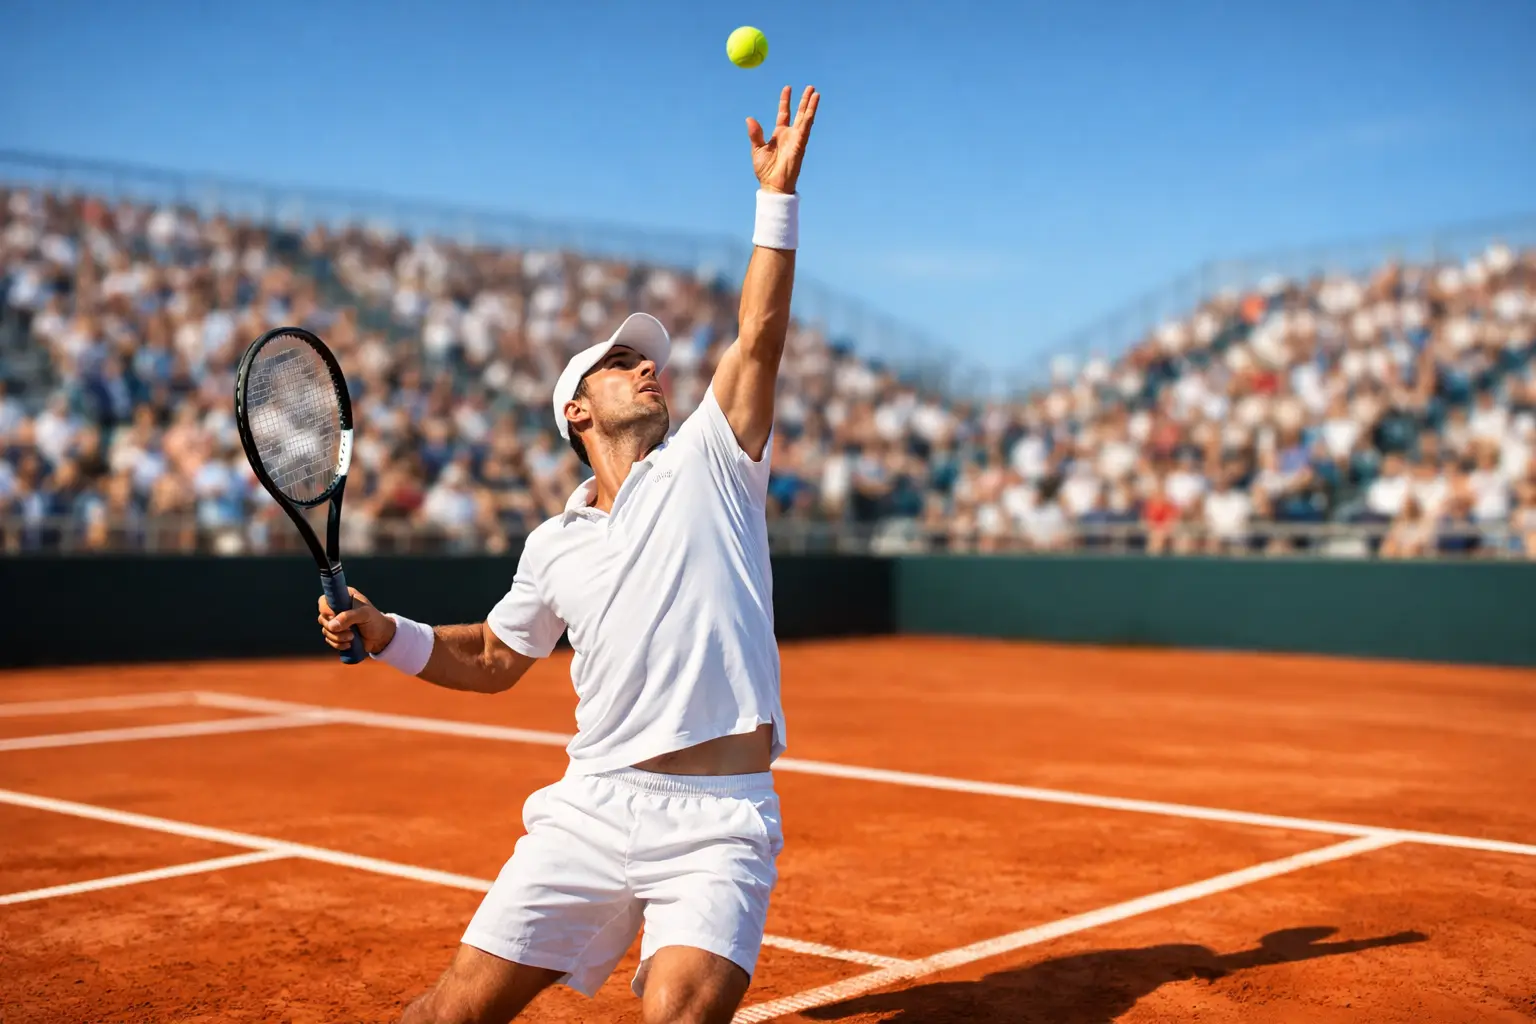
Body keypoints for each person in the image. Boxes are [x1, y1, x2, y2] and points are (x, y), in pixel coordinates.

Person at [315, 85, 820, 1024]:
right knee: (451, 1013)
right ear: (576, 411)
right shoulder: (552, 544)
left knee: (681, 1013)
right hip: (592, 806)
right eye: (620, 363)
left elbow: (758, 336)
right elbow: (493, 656)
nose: (647, 366)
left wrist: (776, 198)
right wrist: (385, 632)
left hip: (720, 819)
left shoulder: (714, 460)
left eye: (646, 358)